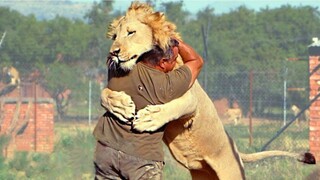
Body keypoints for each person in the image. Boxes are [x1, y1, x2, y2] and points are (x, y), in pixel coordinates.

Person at [93, 39, 203, 180]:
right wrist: (174, 40)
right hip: (141, 158)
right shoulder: (167, 85)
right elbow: (196, 61)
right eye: (174, 59)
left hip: (106, 150)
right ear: (163, 62)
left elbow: (117, 45)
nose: (175, 63)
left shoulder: (118, 69)